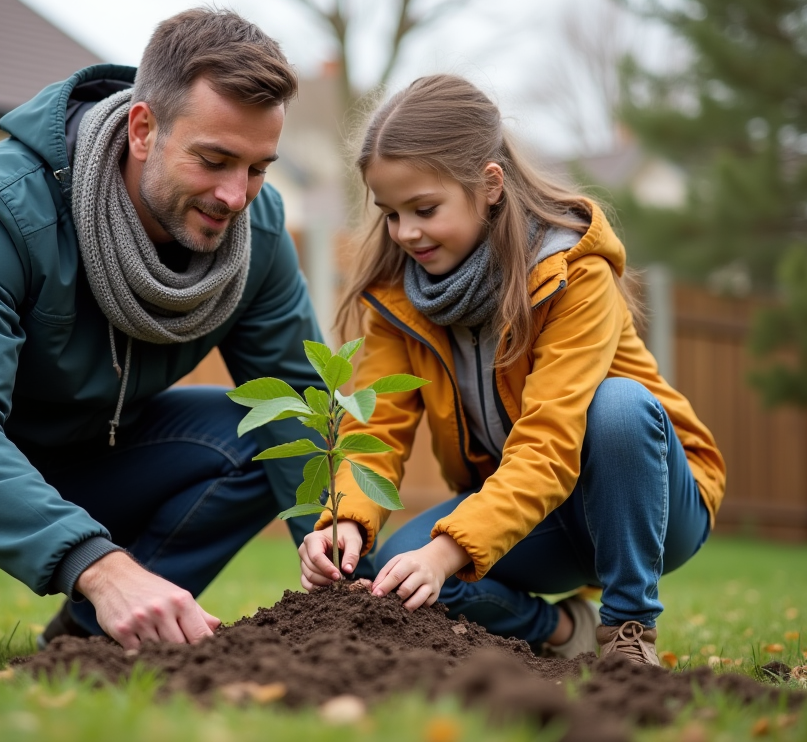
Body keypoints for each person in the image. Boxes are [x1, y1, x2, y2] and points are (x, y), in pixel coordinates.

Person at [0, 8, 327, 659]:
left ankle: (94, 636)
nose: (235, 195)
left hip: (79, 445)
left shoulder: (259, 232)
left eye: (257, 168)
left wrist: (332, 537)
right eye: (214, 159)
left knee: (263, 437)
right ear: (144, 129)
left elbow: (297, 398)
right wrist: (103, 567)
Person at [297, 74, 726, 666]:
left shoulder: (572, 273)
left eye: (424, 209)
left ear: (489, 186)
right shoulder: (399, 297)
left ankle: (628, 632)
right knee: (395, 575)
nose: (406, 233)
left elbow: (549, 445)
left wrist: (449, 551)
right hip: (529, 514)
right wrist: (347, 519)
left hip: (651, 503)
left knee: (619, 408)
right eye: (391, 213)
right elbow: (377, 427)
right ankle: (559, 630)